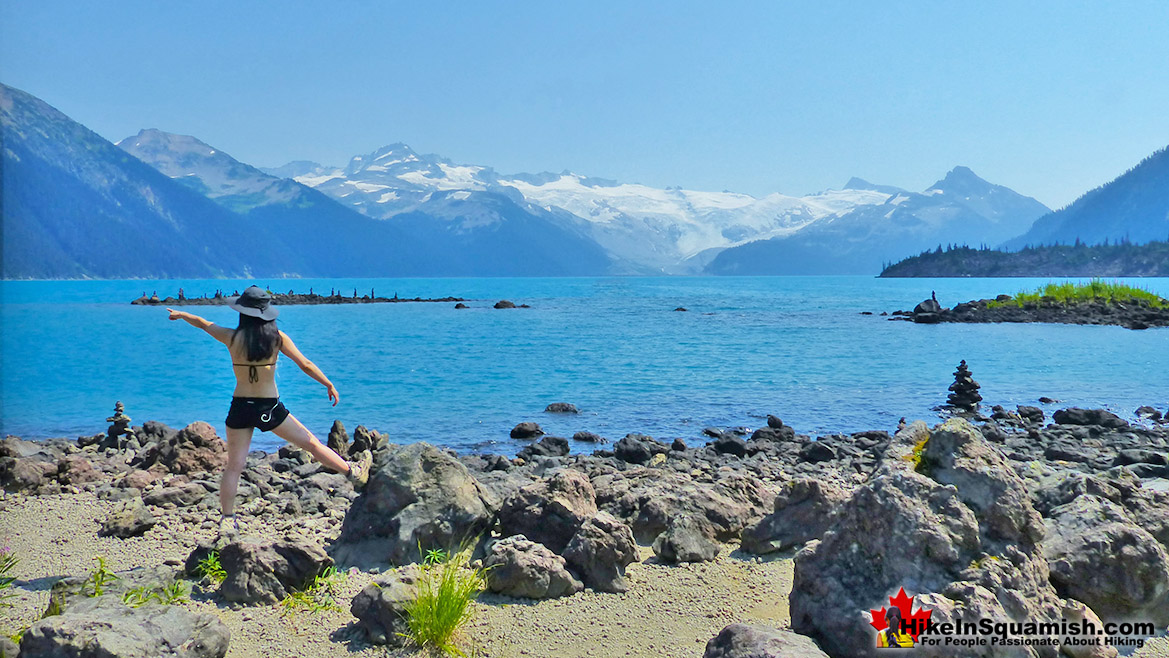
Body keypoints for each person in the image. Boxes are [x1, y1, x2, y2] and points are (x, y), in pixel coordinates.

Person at [167, 285, 372, 539]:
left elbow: (203, 323)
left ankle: (227, 520)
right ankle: (352, 473)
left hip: (240, 407)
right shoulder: (277, 339)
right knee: (311, 444)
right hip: (269, 408)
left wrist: (182, 314)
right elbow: (305, 364)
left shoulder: (231, 337)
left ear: (242, 312)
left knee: (234, 467)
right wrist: (328, 383)